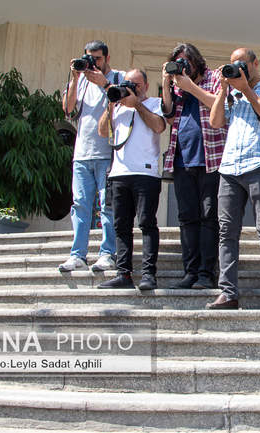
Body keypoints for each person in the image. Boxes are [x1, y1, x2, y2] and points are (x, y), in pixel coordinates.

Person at [207, 48, 260, 311]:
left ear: (255, 63)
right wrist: (223, 90)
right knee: (226, 233)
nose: (239, 68)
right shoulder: (232, 93)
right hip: (229, 168)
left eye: (242, 63)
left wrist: (247, 90)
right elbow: (215, 121)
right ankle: (228, 293)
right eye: (233, 64)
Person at [161, 43, 227, 290]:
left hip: (212, 159)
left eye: (186, 61)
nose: (183, 66)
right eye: (178, 62)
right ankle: (190, 272)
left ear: (196, 61)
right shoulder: (177, 85)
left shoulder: (213, 77)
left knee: (209, 217)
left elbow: (220, 106)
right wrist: (166, 84)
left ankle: (206, 273)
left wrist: (191, 87)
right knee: (187, 217)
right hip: (182, 159)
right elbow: (168, 116)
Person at [96, 69, 166, 290]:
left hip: (146, 174)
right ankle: (123, 274)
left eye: (136, 84)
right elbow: (102, 132)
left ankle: (148, 275)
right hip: (119, 173)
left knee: (147, 223)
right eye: (127, 84)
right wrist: (111, 104)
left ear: (145, 85)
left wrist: (136, 104)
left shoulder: (154, 103)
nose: (131, 88)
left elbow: (159, 126)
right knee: (121, 225)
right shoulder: (117, 106)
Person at [59, 40, 123, 273]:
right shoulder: (81, 80)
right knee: (80, 205)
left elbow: (124, 101)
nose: (93, 63)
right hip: (82, 153)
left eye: (97, 59)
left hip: (108, 153)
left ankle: (107, 253)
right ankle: (77, 255)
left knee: (108, 206)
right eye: (89, 58)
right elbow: (67, 109)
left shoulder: (118, 77)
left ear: (107, 58)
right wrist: (76, 78)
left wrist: (104, 83)